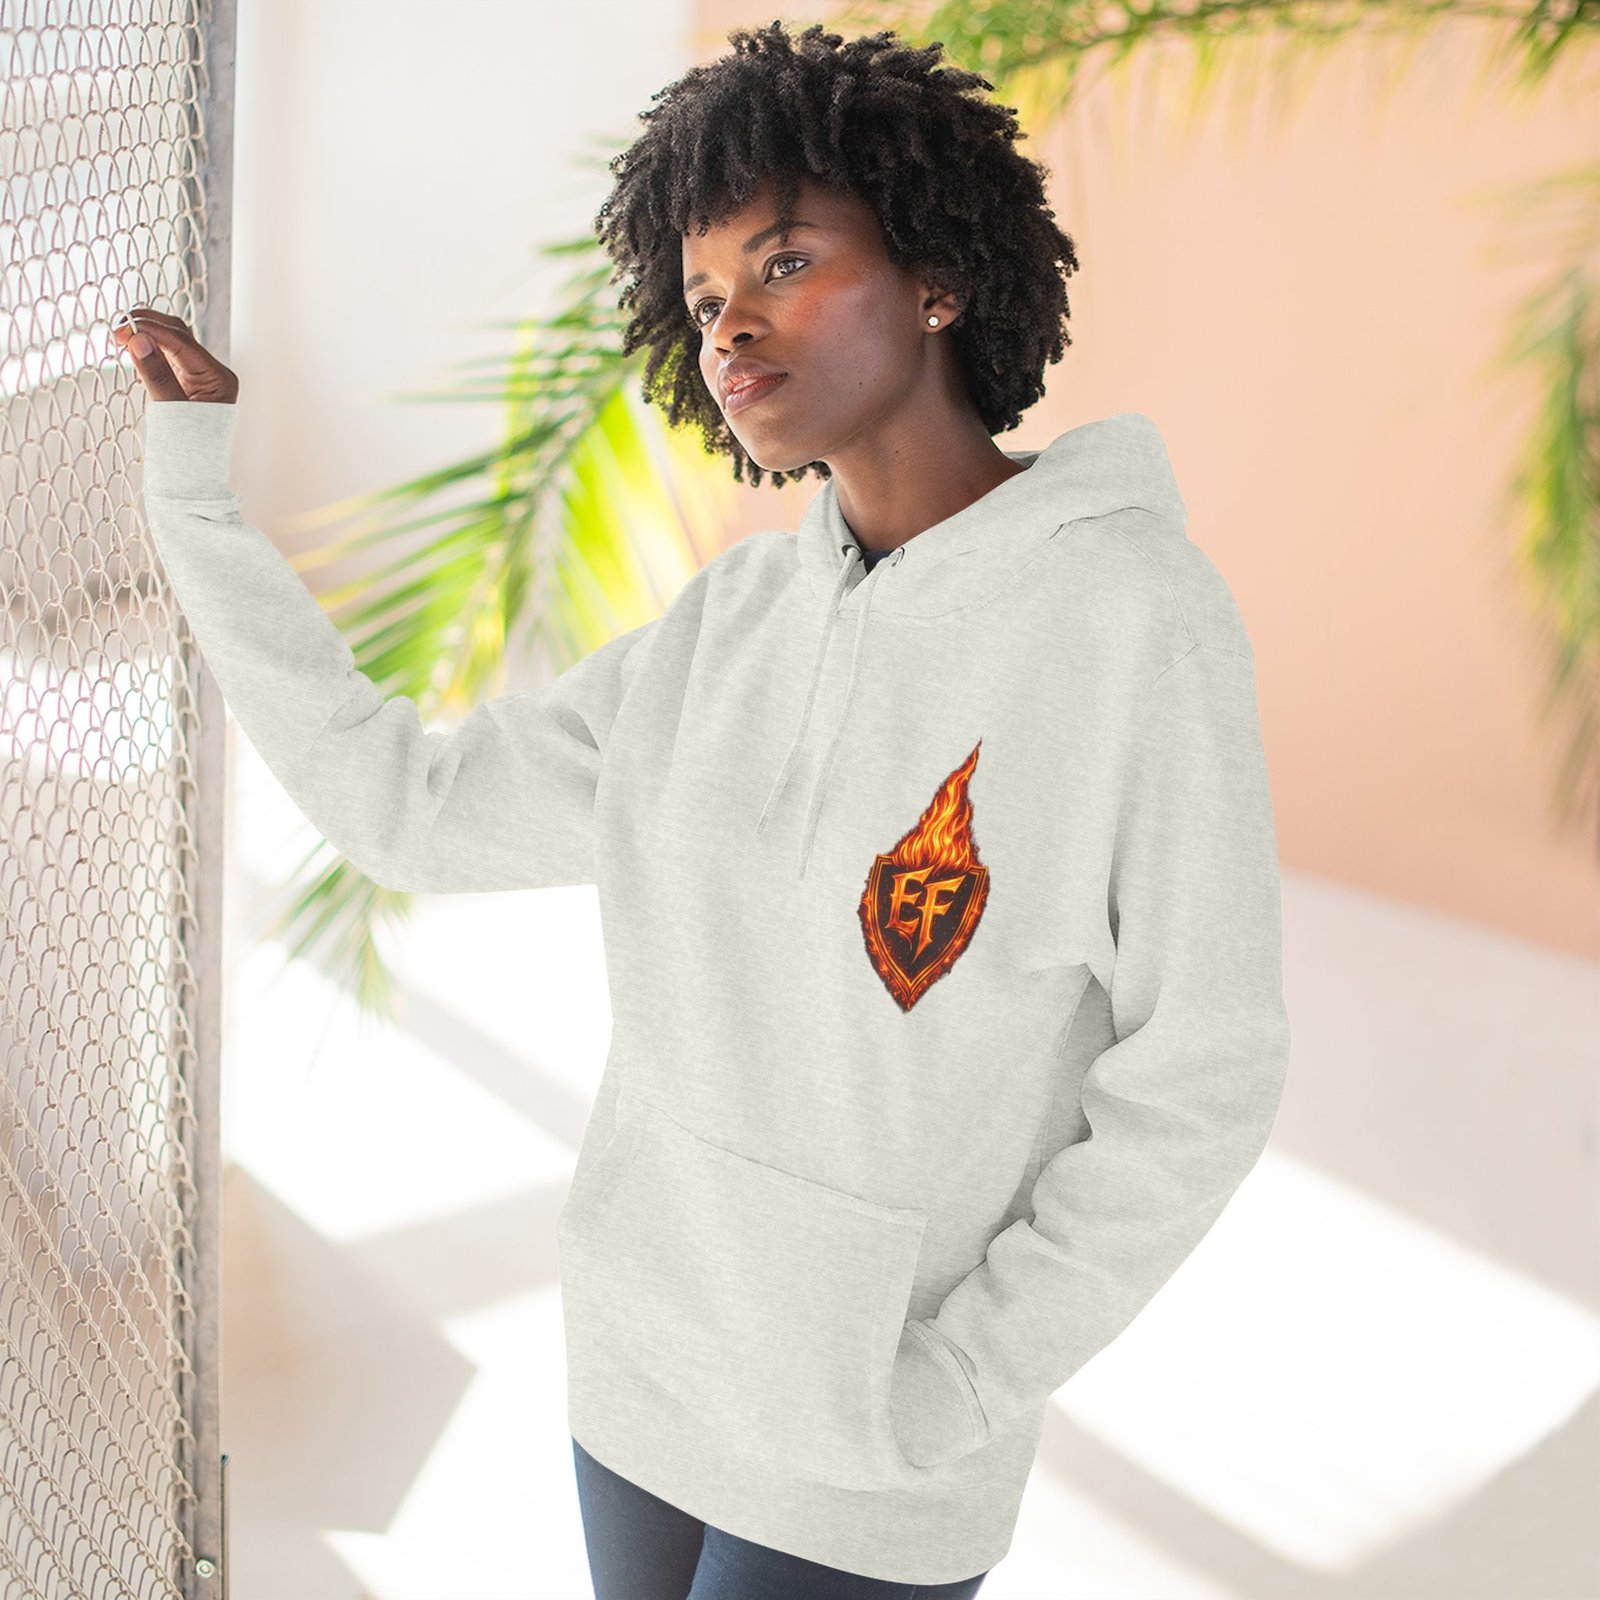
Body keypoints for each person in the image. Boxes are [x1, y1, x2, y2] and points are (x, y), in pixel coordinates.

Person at [120, 19, 1291, 1599]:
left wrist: (957, 1384)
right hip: (642, 1371)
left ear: (940, 275)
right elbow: (411, 811)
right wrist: (199, 505)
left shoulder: (1131, 620)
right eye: (703, 295)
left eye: (786, 263)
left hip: (874, 1447)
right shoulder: (729, 625)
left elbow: (1204, 1067)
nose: (732, 325)